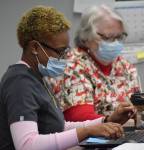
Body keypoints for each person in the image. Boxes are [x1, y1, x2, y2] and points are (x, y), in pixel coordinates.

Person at [0, 5, 136, 150]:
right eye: (60, 51)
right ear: (34, 48)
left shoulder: (38, 78)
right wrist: (86, 131)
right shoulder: (19, 82)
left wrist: (105, 121)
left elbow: (59, 127)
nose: (64, 58)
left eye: (66, 50)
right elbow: (27, 145)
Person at [51, 5, 140, 122]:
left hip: (129, 137)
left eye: (119, 37)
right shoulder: (71, 65)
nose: (114, 43)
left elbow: (141, 110)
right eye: (108, 37)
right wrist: (112, 121)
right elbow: (79, 118)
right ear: (86, 37)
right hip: (90, 138)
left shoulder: (126, 66)